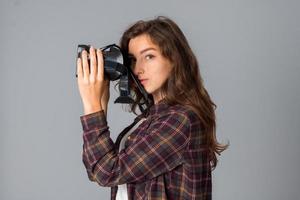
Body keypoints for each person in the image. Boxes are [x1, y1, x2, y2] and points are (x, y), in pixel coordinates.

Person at [77, 16, 228, 200]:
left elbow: (107, 172)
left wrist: (92, 105)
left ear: (174, 59)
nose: (139, 68)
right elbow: (96, 170)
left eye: (149, 56)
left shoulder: (181, 120)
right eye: (132, 60)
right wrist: (100, 102)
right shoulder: (148, 119)